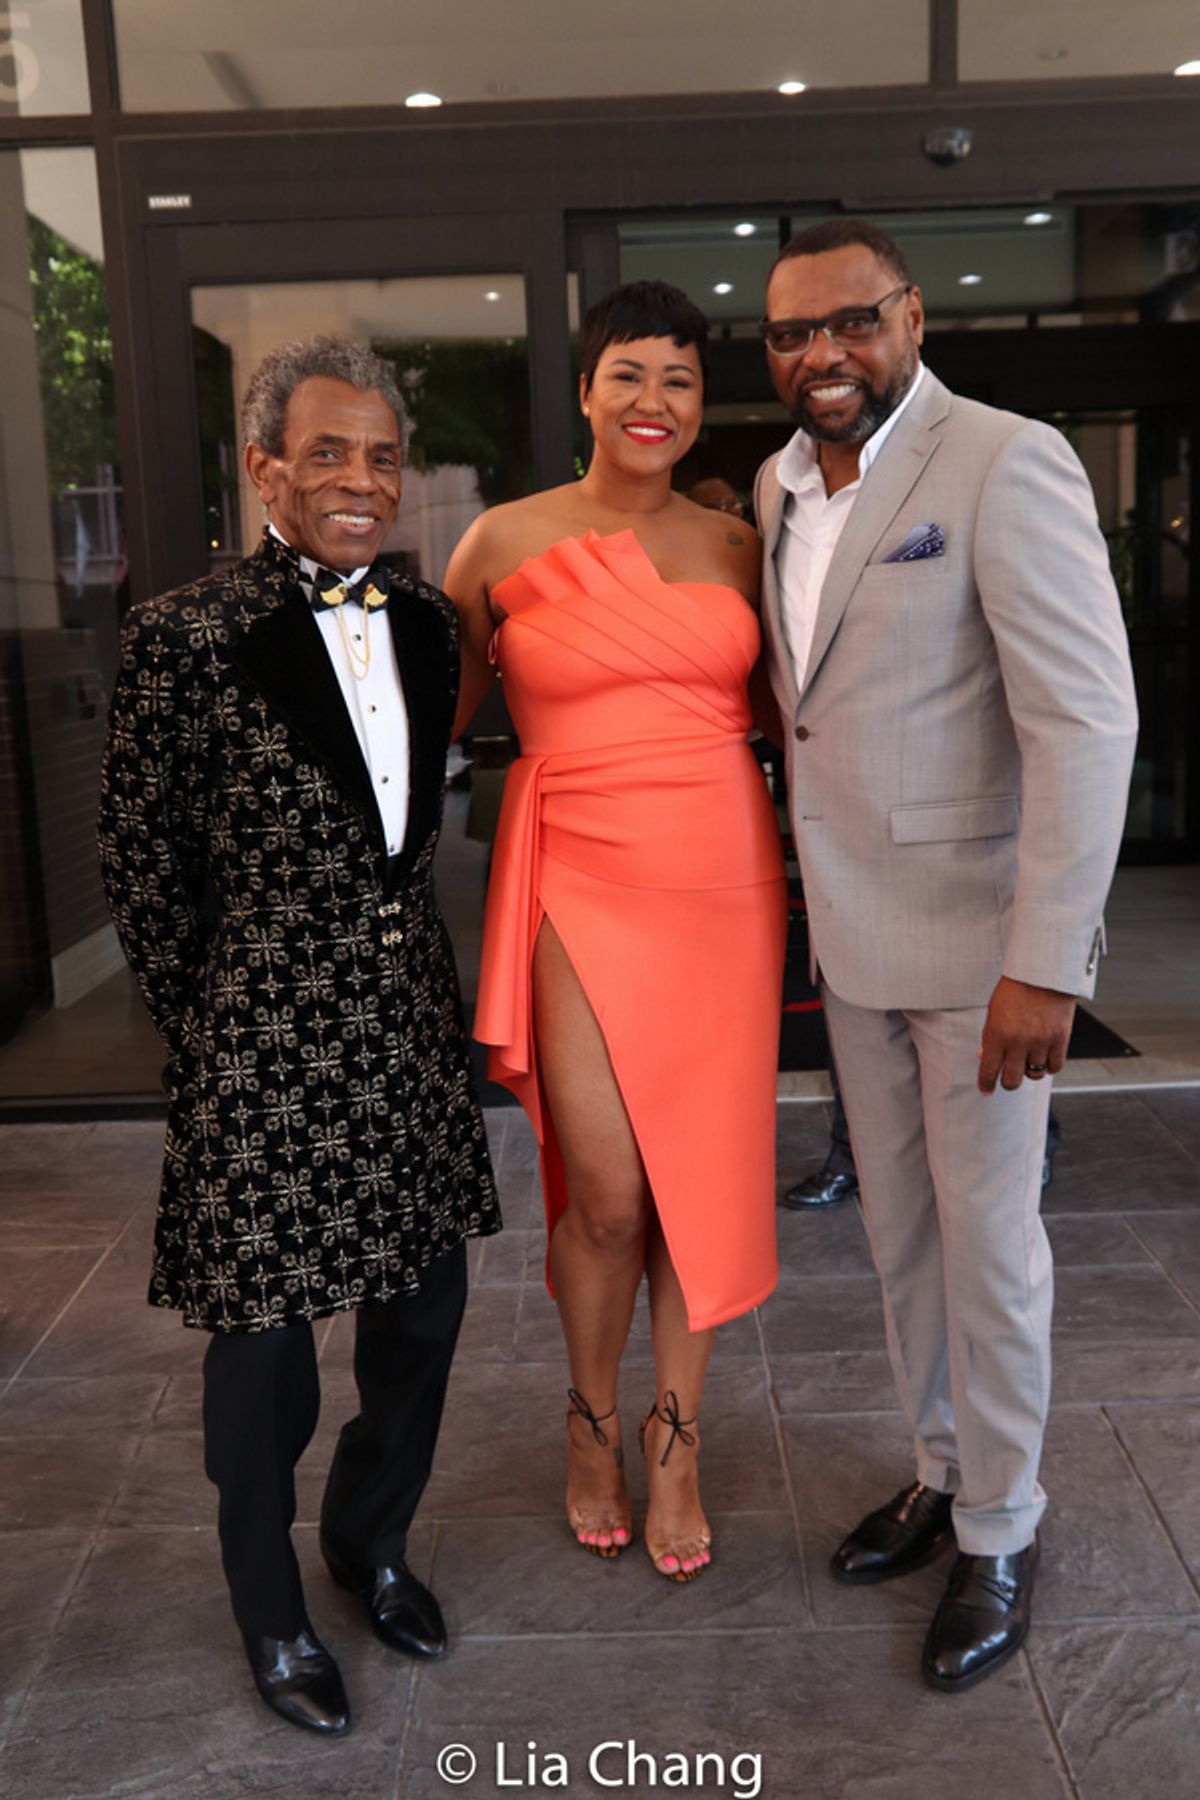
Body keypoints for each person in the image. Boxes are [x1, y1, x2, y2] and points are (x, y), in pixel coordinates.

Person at [97, 336, 501, 1735]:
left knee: (421, 1319)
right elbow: (142, 866)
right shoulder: (184, 636)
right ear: (265, 466)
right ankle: (269, 1609)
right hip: (260, 1041)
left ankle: (370, 1541)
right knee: (263, 1359)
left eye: (382, 455)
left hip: (402, 1031)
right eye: (328, 451)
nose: (361, 479)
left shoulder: (431, 621)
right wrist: (212, 1025)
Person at [755, 219, 1137, 1690]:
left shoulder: (1002, 457)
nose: (823, 356)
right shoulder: (776, 487)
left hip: (985, 951)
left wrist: (1050, 959)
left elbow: (1085, 721)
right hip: (850, 942)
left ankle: (1004, 1524)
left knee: (991, 1247)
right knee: (902, 1236)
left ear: (910, 315)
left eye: (851, 322)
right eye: (793, 335)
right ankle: (937, 1467)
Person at [446, 281, 786, 1581]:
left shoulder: (740, 548)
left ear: (704, 407)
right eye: (629, 374)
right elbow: (423, 732)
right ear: (585, 390)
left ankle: (677, 1437)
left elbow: (804, 727)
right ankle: (591, 1417)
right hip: (572, 874)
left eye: (682, 380)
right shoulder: (497, 543)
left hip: (721, 884)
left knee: (696, 1173)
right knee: (606, 1188)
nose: (655, 401)